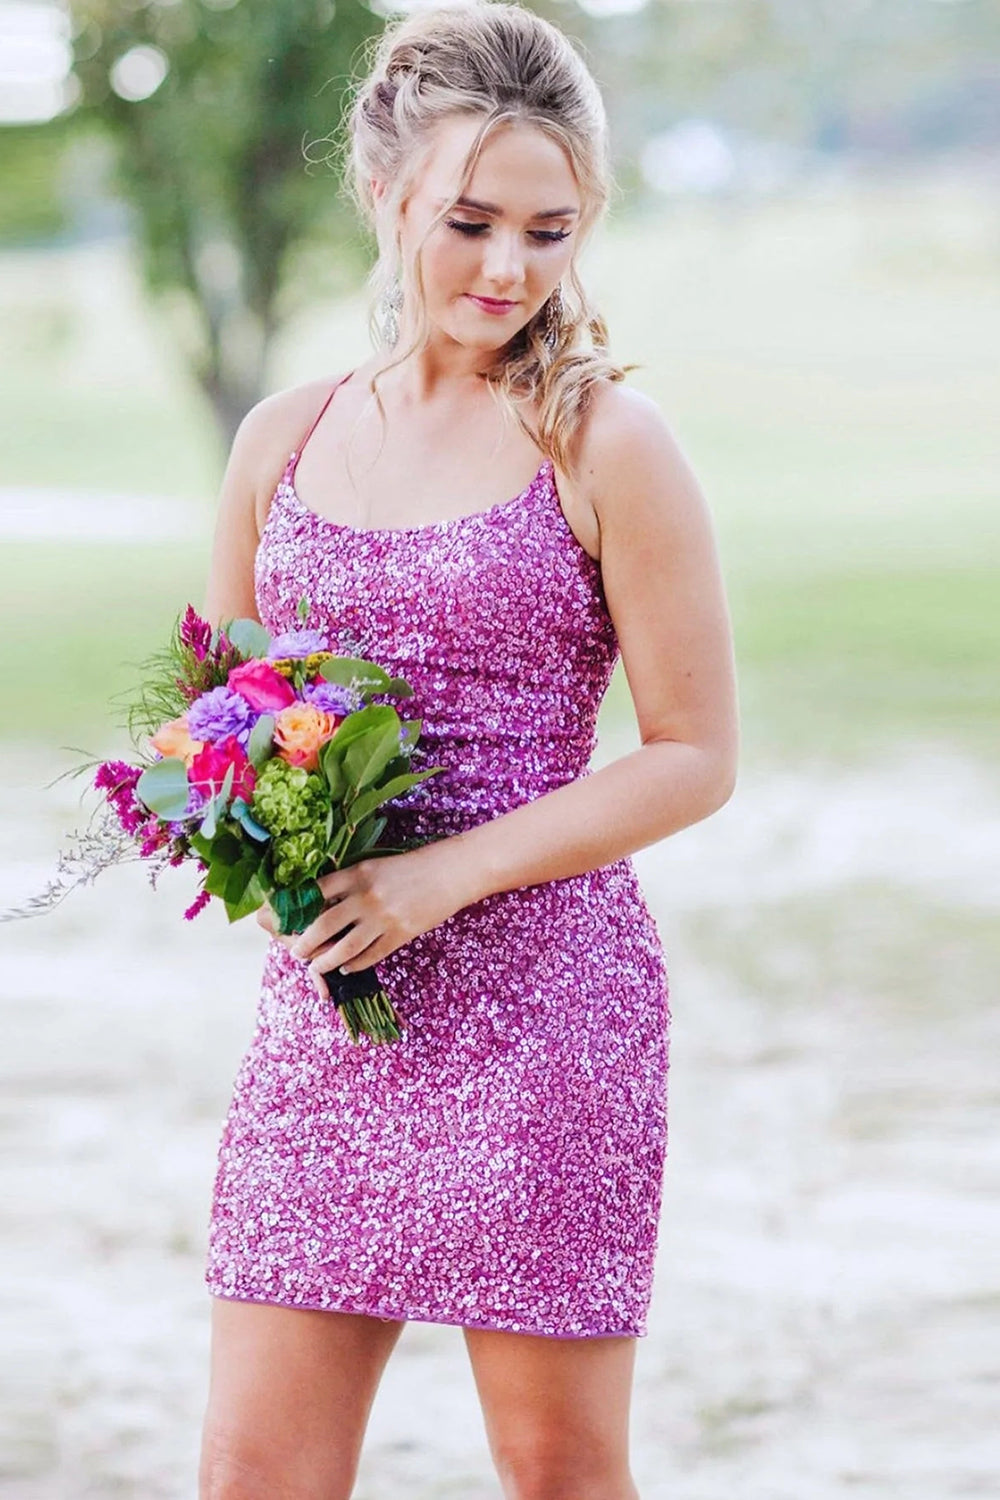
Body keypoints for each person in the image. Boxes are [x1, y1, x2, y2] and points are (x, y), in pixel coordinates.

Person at [197, 2, 738, 1496]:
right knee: (253, 1478)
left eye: (551, 231)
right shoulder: (281, 442)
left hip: (547, 1020)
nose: (509, 269)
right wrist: (243, 821)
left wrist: (439, 879)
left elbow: (694, 753)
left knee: (557, 1470)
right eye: (472, 222)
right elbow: (225, 718)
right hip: (329, 1021)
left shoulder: (606, 442)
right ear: (383, 197)